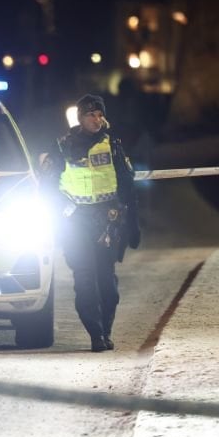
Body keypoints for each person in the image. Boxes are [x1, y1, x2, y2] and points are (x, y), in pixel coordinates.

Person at [39, 94, 141, 352]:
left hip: (107, 222)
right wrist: (64, 210)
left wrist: (133, 224)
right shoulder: (62, 147)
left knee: (108, 284)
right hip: (76, 223)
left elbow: (128, 186)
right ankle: (95, 335)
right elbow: (47, 187)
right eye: (90, 115)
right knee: (85, 282)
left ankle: (106, 330)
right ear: (80, 118)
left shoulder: (113, 145)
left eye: (99, 114)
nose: (96, 119)